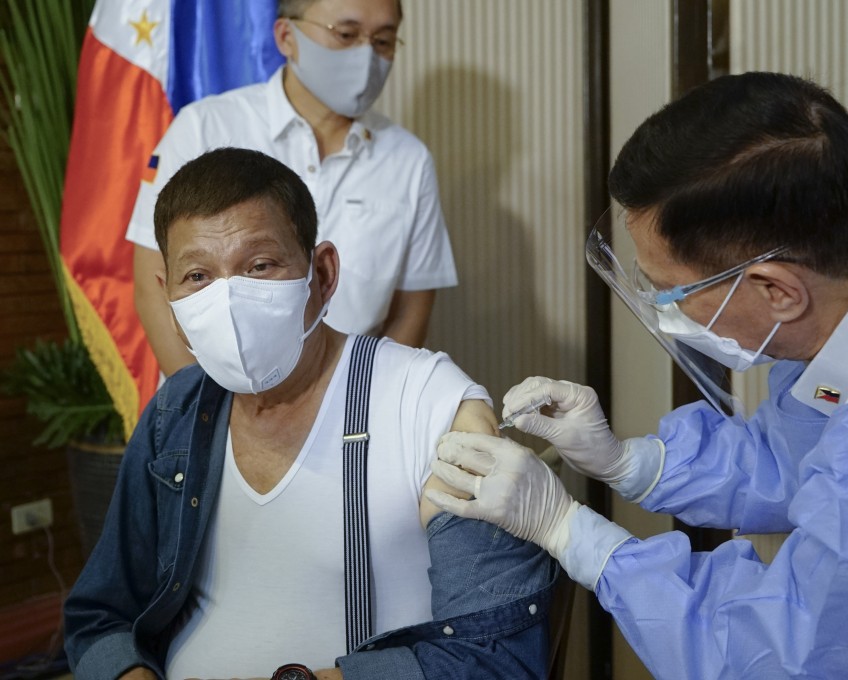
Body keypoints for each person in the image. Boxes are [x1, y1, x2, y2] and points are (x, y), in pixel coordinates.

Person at [426, 72, 848, 679]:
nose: (665, 312)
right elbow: (805, 455)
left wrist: (567, 530)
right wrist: (629, 462)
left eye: (669, 292)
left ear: (777, 291)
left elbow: (778, 659)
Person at [64, 148, 556, 680]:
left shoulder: (428, 403)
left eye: (260, 266)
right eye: (198, 276)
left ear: (321, 274)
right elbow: (99, 616)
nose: (228, 300)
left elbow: (497, 656)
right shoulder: (175, 413)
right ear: (172, 304)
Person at [129, 0, 455, 376]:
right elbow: (153, 284)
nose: (366, 56)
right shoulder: (205, 127)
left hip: (349, 406)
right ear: (286, 36)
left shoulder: (408, 160)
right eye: (346, 34)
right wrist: (206, 412)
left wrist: (360, 403)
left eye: (383, 41)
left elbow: (411, 310)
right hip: (211, 399)